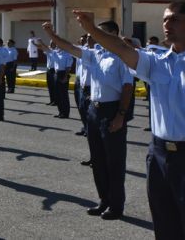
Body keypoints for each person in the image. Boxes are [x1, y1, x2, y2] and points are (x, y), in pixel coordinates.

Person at [74, 3, 185, 239]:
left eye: (174, 20)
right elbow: (120, 48)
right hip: (159, 155)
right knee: (164, 222)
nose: (167, 25)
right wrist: (91, 28)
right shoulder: (157, 62)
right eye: (164, 20)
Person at [41, 20, 132, 220]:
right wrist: (52, 34)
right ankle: (104, 200)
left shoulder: (123, 56)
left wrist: (120, 116)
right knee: (98, 160)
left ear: (114, 34)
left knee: (114, 161)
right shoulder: (94, 54)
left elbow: (127, 87)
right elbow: (70, 47)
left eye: (100, 32)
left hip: (112, 110)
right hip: (94, 110)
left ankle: (116, 205)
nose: (93, 35)